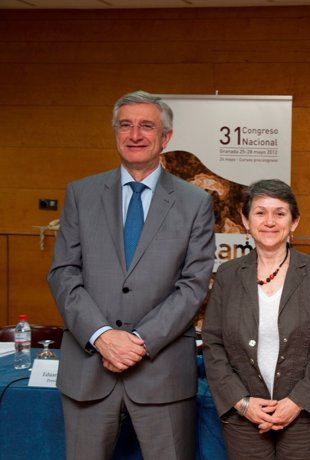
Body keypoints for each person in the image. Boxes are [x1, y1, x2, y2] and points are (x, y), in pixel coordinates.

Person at [48, 90, 216, 459]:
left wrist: (137, 340)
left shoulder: (195, 202)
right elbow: (63, 274)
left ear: (166, 138)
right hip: (89, 371)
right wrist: (102, 336)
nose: (135, 135)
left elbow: (193, 285)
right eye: (126, 125)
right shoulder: (81, 194)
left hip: (162, 374)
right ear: (115, 132)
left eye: (146, 126)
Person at [202, 179, 310, 460]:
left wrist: (297, 402)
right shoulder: (228, 275)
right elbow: (212, 344)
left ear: (294, 222)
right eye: (260, 212)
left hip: (304, 413)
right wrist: (242, 403)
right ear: (245, 220)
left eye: (280, 213)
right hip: (244, 413)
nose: (270, 221)